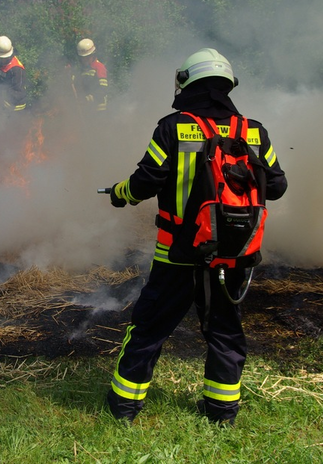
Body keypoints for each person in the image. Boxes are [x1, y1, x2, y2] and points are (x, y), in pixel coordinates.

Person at [104, 48, 287, 426]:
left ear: (187, 83)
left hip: (178, 252)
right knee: (225, 329)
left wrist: (120, 193)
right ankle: (222, 413)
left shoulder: (173, 127)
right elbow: (278, 187)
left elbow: (146, 182)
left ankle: (123, 408)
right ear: (227, 85)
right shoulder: (253, 131)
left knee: (149, 327)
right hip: (232, 254)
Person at [0, 35, 27, 112]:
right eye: (0, 57)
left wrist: (1, 92)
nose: (2, 60)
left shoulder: (16, 70)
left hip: (14, 106)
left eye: (5, 58)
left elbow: (18, 93)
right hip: (0, 98)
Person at [70, 38, 108, 112]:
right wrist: (69, 75)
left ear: (93, 55)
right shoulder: (82, 70)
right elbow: (76, 84)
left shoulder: (99, 67)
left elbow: (103, 90)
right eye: (83, 58)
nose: (85, 60)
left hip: (99, 111)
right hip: (86, 111)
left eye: (87, 57)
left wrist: (86, 99)